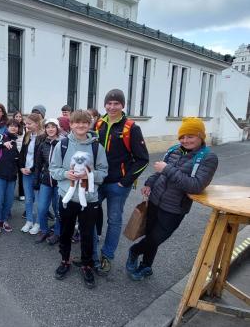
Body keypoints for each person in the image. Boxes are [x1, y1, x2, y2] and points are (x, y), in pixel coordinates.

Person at [127, 117, 218, 280]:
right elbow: (159, 173)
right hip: (155, 200)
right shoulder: (174, 149)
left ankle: (134, 251)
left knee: (156, 238)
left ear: (200, 136)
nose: (185, 140)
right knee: (150, 236)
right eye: (182, 137)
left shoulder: (208, 157)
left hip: (175, 207)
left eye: (190, 136)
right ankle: (146, 266)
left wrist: (167, 169)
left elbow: (196, 185)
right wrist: (149, 183)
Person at [49, 110, 108, 288]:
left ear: (89, 124)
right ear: (71, 124)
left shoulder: (97, 147)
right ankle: (65, 260)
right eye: (77, 123)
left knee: (88, 234)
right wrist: (66, 174)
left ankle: (86, 264)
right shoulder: (63, 145)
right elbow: (53, 169)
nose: (81, 126)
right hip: (67, 198)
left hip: (89, 199)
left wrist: (88, 174)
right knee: (66, 232)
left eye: (84, 122)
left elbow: (104, 172)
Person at [94, 89, 149, 274]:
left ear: (122, 105)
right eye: (109, 103)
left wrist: (125, 182)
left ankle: (107, 256)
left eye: (116, 103)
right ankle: (91, 253)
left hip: (117, 184)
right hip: (98, 181)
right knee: (89, 215)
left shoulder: (131, 128)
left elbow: (143, 159)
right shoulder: (98, 124)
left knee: (114, 220)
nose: (112, 107)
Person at [0, 119, 20, 237]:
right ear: (7, 127)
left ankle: (4, 220)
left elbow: (17, 159)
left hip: (11, 176)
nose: (14, 128)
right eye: (11, 125)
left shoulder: (16, 142)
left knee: (9, 200)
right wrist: (3, 144)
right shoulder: (1, 136)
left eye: (16, 126)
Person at [34, 118, 62, 245]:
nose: (50, 129)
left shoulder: (63, 143)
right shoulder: (42, 144)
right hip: (46, 181)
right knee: (42, 208)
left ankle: (57, 232)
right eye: (48, 127)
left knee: (58, 209)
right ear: (45, 129)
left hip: (59, 182)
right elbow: (38, 164)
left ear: (57, 128)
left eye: (53, 127)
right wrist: (36, 180)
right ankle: (44, 230)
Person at [19, 113, 44, 234]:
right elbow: (23, 153)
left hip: (37, 173)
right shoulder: (28, 135)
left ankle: (38, 223)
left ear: (37, 123)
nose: (26, 125)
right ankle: (29, 221)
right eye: (26, 123)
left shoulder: (43, 137)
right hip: (26, 172)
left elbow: (41, 158)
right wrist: (21, 167)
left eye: (29, 123)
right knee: (28, 199)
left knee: (39, 200)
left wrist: (32, 169)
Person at [13, 111, 25, 201]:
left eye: (19, 116)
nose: (18, 118)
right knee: (13, 174)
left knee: (21, 175)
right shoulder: (11, 126)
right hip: (13, 153)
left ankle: (21, 193)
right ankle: (10, 192)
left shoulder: (24, 127)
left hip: (21, 154)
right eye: (16, 116)